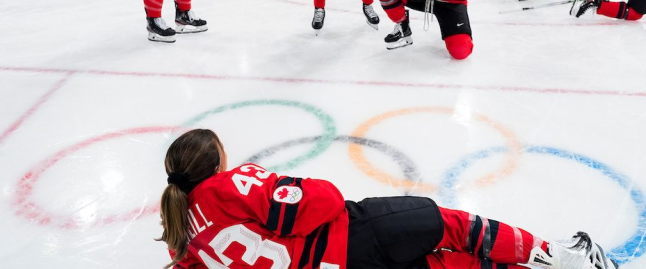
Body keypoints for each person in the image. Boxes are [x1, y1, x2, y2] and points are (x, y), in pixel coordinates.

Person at [159, 128, 619, 269]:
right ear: (214, 164)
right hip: (355, 235)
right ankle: (560, 258)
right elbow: (325, 202)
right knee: (452, 227)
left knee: (439, 267)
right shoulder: (226, 187)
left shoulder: (187, 237)